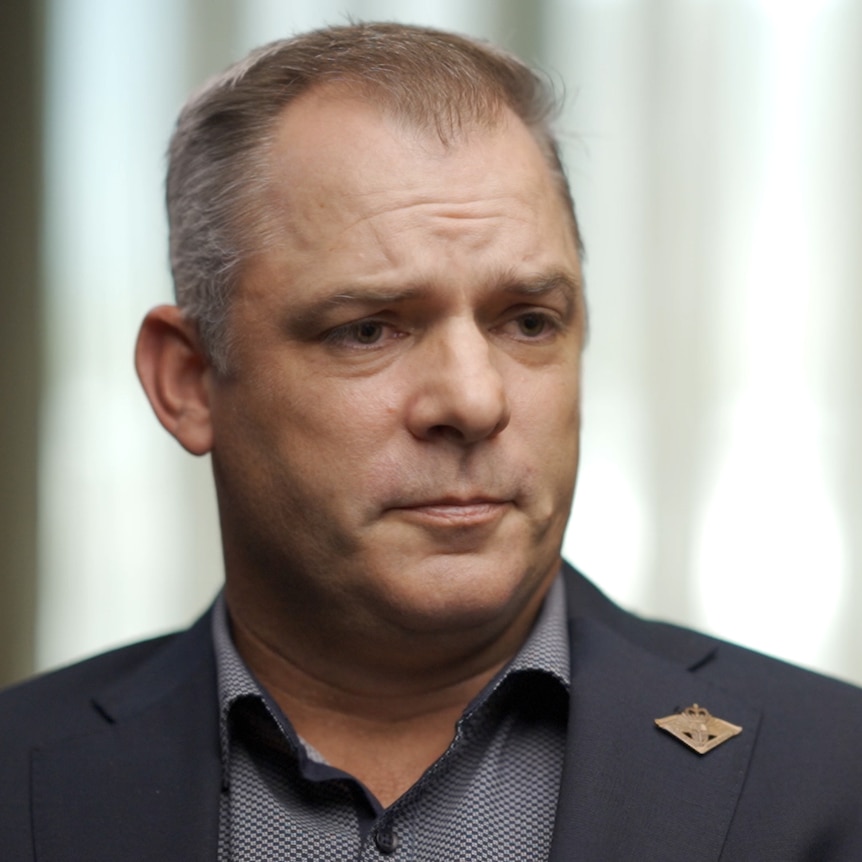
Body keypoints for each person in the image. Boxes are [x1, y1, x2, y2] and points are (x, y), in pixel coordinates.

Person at [2, 21, 861, 861]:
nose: (475, 399)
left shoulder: (831, 773)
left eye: (528, 321)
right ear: (188, 382)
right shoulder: (20, 780)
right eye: (368, 330)